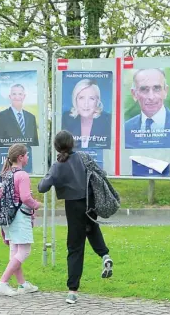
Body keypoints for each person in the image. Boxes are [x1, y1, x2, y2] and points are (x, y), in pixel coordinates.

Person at [38, 130, 113, 305]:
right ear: (72, 143)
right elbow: (101, 173)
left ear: (56, 146)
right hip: (90, 202)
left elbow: (43, 187)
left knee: (75, 248)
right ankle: (105, 255)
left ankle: (72, 291)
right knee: (92, 228)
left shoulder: (58, 165)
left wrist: (48, 177)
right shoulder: (83, 157)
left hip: (73, 206)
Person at [0, 143, 40, 296]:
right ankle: (3, 282)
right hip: (20, 216)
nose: (28, 158)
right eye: (27, 155)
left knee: (15, 251)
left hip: (8, 217)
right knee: (24, 251)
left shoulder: (5, 174)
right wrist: (36, 204)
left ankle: (22, 284)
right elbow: (25, 197)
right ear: (20, 157)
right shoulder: (22, 175)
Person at [124, 68, 170, 149]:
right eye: (144, 89)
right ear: (134, 94)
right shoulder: (126, 128)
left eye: (157, 88)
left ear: (166, 91)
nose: (151, 97)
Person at [62, 79, 111, 149]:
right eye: (81, 98)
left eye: (91, 98)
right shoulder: (67, 118)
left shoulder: (108, 120)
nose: (86, 104)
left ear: (97, 101)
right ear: (75, 100)